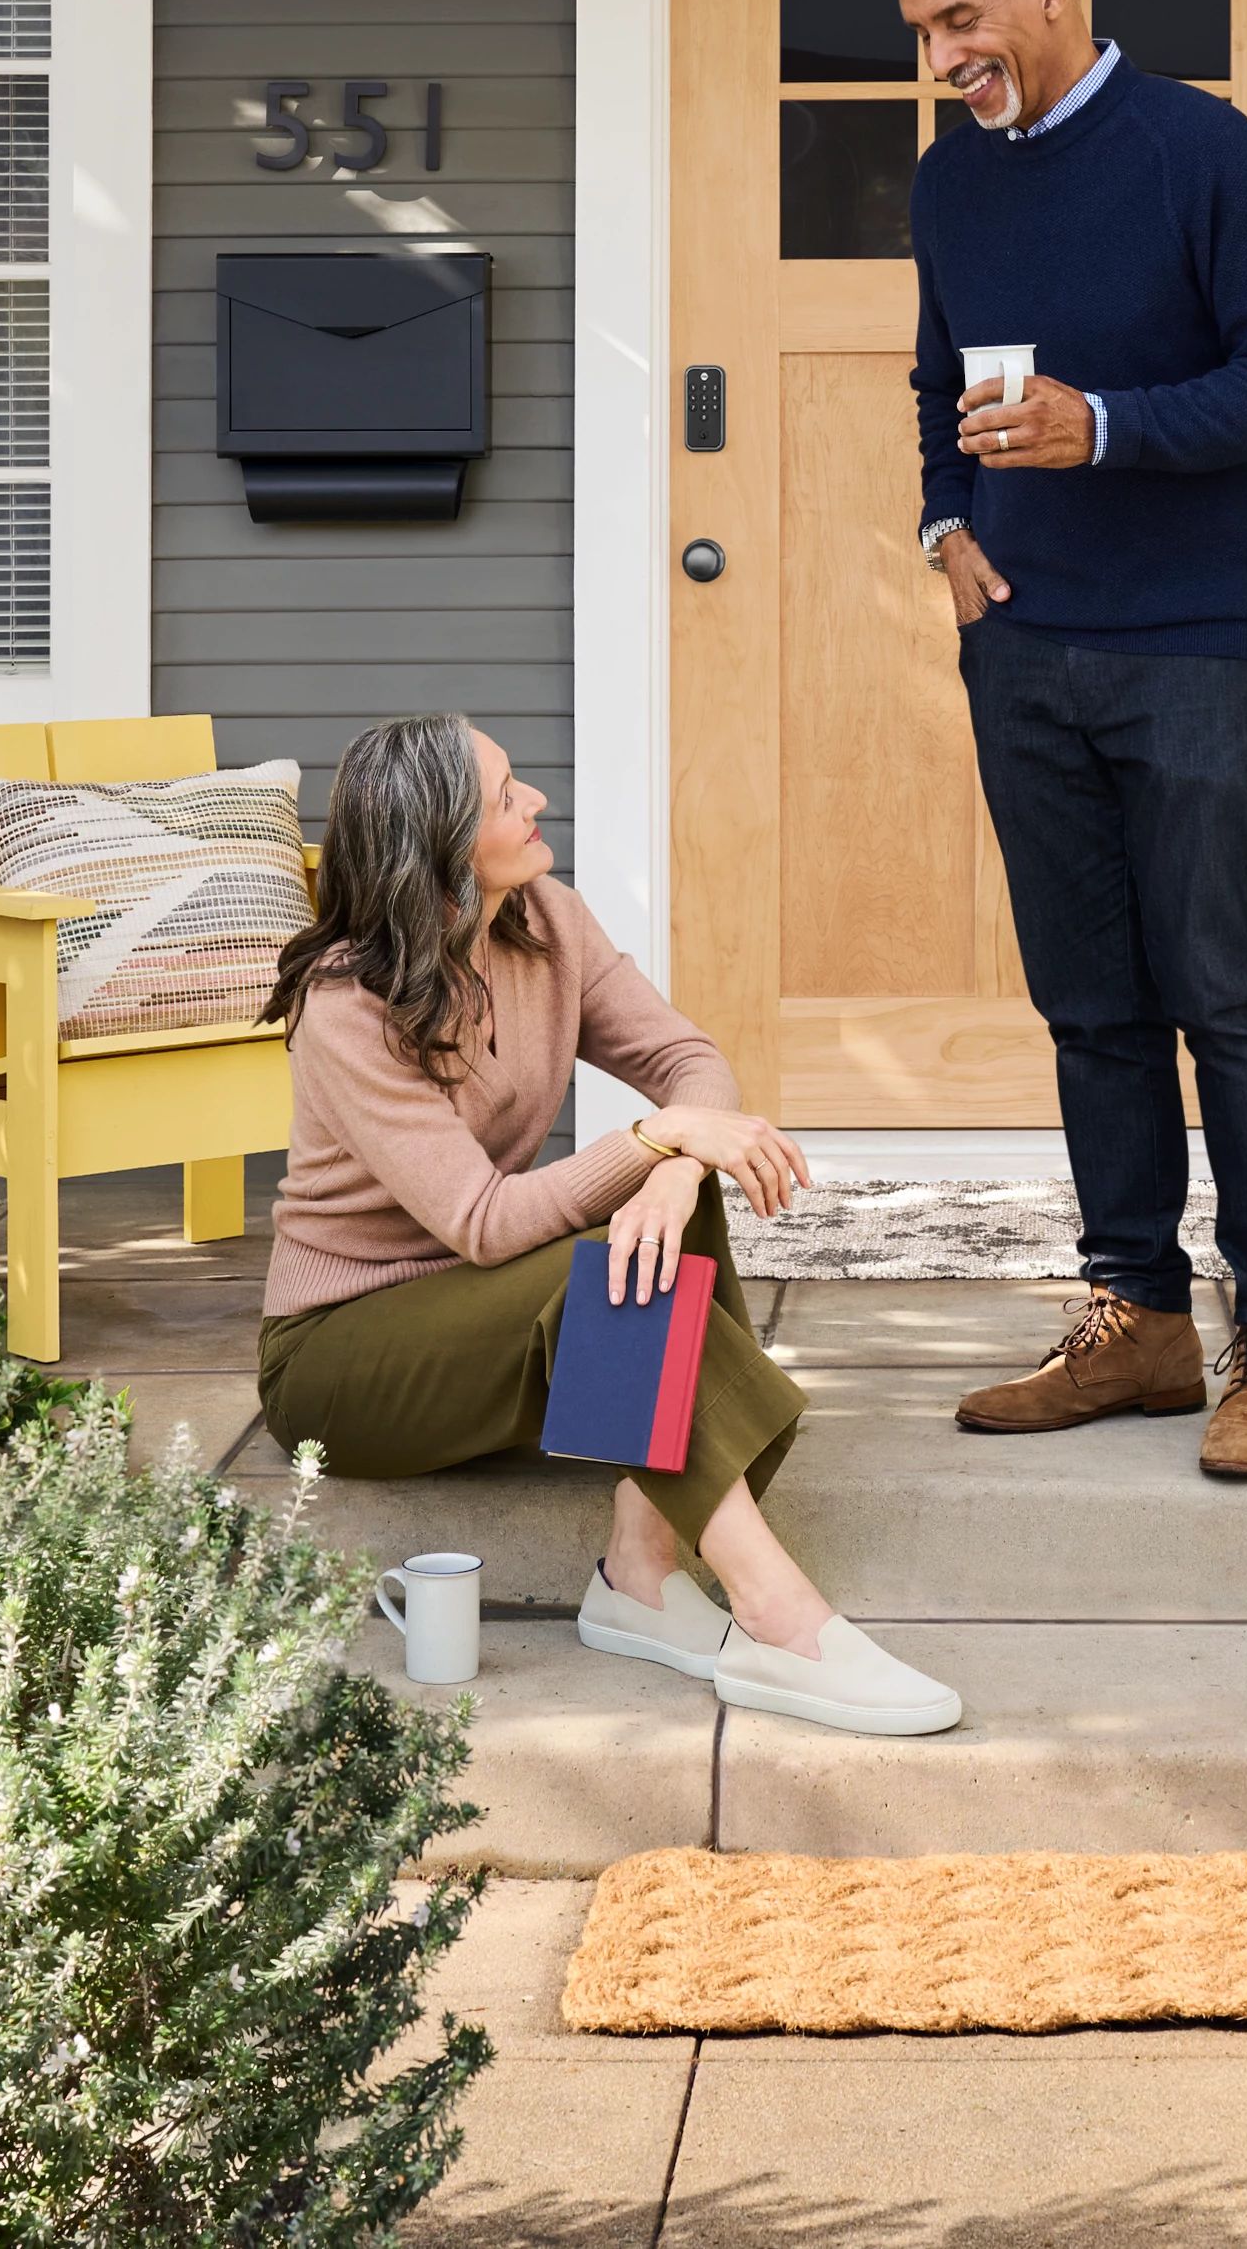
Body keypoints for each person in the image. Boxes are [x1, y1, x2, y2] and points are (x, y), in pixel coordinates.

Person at [252, 710, 959, 1738]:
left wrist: (672, 1163)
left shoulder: (542, 921)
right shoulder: (346, 1007)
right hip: (342, 1357)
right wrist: (657, 1139)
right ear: (438, 846)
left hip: (473, 1316)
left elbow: (689, 1064)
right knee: (592, 1254)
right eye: (503, 795)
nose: (535, 800)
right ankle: (780, 1618)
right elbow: (486, 1223)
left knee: (674, 1197)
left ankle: (640, 1564)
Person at [896, 0, 1247, 1480]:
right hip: (1025, 643)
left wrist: (1114, 427)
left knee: (1221, 988)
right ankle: (1138, 1319)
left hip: (1205, 641)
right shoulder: (952, 183)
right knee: (1089, 1001)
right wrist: (948, 521)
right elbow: (936, 373)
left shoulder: (1201, 151)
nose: (945, 57)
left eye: (962, 18)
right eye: (925, 34)